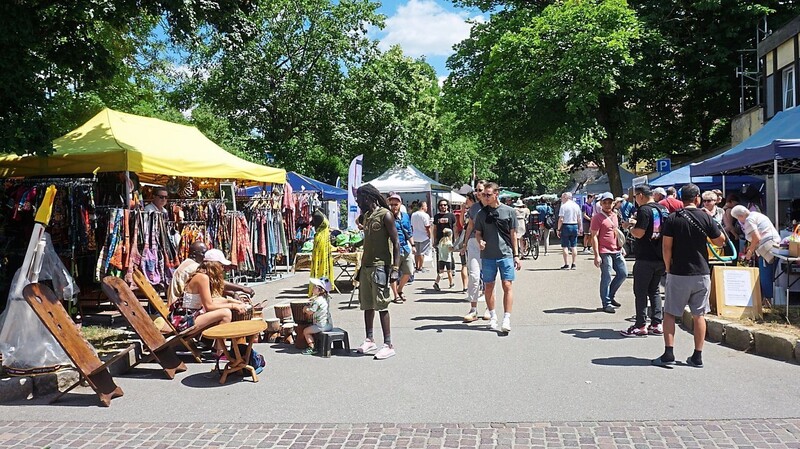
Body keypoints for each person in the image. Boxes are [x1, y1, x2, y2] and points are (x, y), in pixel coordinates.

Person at [652, 183, 726, 368]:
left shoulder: (673, 218)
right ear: (697, 198)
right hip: (701, 272)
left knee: (669, 313)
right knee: (699, 315)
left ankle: (669, 353)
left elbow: (666, 246)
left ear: (680, 199)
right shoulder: (705, 217)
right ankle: (697, 356)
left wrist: (668, 268)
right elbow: (720, 242)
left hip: (678, 272)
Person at [355, 184, 401, 360]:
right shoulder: (367, 216)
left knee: (382, 305)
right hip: (366, 266)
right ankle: (369, 339)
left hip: (380, 266)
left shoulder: (385, 215)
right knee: (367, 305)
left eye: (359, 198)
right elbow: (368, 241)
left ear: (368, 197)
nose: (358, 202)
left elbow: (396, 243)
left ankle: (388, 344)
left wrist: (395, 269)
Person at [178, 250, 251, 357]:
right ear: (214, 265)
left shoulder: (202, 276)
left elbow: (213, 300)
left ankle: (218, 349)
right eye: (221, 265)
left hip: (190, 316)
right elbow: (209, 306)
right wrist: (233, 306)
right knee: (225, 313)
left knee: (224, 310)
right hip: (184, 321)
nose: (222, 269)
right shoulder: (202, 278)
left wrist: (232, 301)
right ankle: (221, 352)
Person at [621, 185, 668, 337]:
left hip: (645, 257)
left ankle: (640, 325)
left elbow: (640, 233)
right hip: (660, 256)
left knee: (640, 292)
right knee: (654, 290)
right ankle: (657, 323)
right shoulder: (663, 209)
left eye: (635, 197)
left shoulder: (644, 210)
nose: (635, 200)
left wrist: (629, 227)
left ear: (640, 195)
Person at [474, 182, 520, 332]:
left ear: (496, 194)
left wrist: (516, 255)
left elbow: (513, 234)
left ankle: (507, 318)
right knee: (489, 286)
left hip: (505, 254)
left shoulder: (509, 211)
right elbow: (478, 232)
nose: (485, 197)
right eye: (483, 195)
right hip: (488, 256)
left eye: (488, 194)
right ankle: (493, 316)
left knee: (507, 285)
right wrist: (479, 241)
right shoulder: (481, 213)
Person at [167, 242, 255, 307]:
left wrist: (232, 294)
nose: (205, 256)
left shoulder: (190, 264)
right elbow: (217, 283)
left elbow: (214, 285)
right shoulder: (194, 268)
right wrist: (242, 288)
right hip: (181, 307)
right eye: (203, 253)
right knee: (225, 312)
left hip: (184, 303)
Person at [731, 205, 780, 303]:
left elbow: (756, 237)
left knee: (765, 276)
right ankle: (771, 301)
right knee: (771, 276)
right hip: (775, 246)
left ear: (740, 216)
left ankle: (768, 302)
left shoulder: (749, 220)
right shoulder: (758, 215)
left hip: (765, 249)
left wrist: (750, 252)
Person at [590, 192, 627, 314]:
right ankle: (606, 303)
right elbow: (594, 236)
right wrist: (596, 255)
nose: (607, 205)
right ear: (601, 203)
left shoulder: (615, 215)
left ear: (613, 203)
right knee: (607, 276)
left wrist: (621, 246)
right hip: (604, 251)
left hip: (616, 250)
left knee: (623, 273)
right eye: (604, 202)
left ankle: (610, 295)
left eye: (609, 202)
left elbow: (615, 231)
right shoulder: (597, 218)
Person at [462, 182, 492, 322]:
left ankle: (489, 308)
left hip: (489, 244)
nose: (479, 193)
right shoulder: (473, 208)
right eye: (477, 191)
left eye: (482, 190)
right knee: (474, 276)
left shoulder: (493, 206)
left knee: (488, 278)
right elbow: (469, 226)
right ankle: (473, 309)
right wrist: (464, 243)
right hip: (473, 243)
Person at [388, 192, 414, 303]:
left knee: (408, 271)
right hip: (393, 248)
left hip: (405, 247)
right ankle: (395, 295)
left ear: (400, 204)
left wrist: (413, 245)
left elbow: (409, 231)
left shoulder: (405, 216)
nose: (394, 206)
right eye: (392, 204)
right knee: (394, 273)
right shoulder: (387, 216)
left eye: (396, 204)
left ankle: (399, 289)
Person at [301, 277, 334, 355]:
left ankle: (312, 347)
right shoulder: (325, 298)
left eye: (315, 287)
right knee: (312, 327)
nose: (313, 288)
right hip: (329, 324)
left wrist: (305, 309)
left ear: (320, 290)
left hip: (321, 326)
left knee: (305, 331)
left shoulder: (317, 301)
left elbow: (310, 312)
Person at [432, 199, 457, 291]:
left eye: (445, 205)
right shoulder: (436, 216)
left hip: (449, 241)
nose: (443, 206)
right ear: (439, 206)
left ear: (447, 206)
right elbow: (434, 228)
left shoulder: (451, 216)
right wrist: (434, 240)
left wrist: (456, 240)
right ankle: (440, 273)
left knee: (449, 257)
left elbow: (454, 228)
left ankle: (450, 273)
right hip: (440, 241)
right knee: (440, 258)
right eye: (441, 205)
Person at [309, 209, 334, 296]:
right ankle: (318, 288)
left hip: (325, 241)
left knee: (325, 265)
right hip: (321, 241)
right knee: (320, 265)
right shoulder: (317, 215)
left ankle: (324, 288)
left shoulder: (320, 213)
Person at [557, 192, 582, 270]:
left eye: (562, 197)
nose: (561, 199)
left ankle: (566, 264)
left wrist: (558, 229)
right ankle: (574, 263)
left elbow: (561, 219)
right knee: (574, 246)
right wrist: (580, 227)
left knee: (565, 246)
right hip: (574, 225)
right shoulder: (576, 206)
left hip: (566, 225)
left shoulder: (563, 206)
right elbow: (579, 218)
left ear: (566, 197)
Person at [411, 201, 432, 272]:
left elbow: (412, 226)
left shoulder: (413, 214)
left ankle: (417, 266)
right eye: (426, 206)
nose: (427, 207)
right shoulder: (425, 215)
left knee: (416, 253)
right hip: (423, 236)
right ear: (422, 207)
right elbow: (427, 226)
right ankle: (421, 267)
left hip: (415, 235)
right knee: (422, 253)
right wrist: (430, 235)